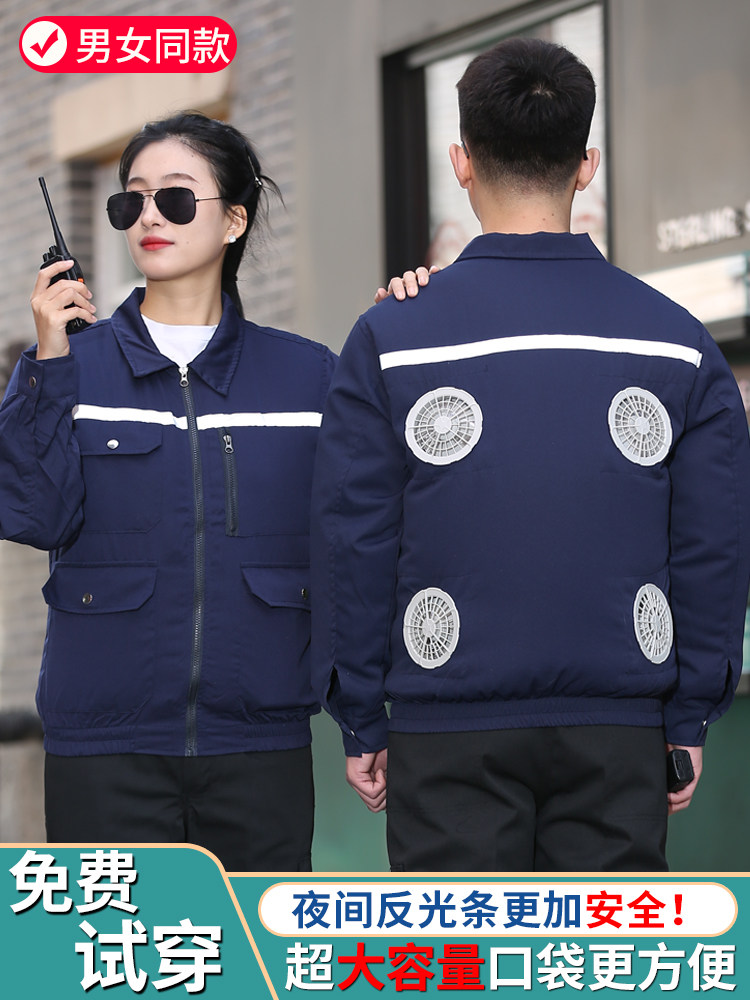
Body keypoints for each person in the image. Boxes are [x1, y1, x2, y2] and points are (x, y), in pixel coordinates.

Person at [310, 38, 750, 871]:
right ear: (586, 167)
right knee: (602, 943)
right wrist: (689, 713)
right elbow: (713, 544)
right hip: (620, 724)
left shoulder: (393, 338)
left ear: (460, 163)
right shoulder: (678, 342)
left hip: (446, 721)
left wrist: (360, 714)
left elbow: (353, 537)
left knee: (460, 944)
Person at [0, 112, 335, 872]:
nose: (149, 216)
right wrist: (49, 362)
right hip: (104, 748)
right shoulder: (68, 368)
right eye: (133, 200)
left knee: (250, 945)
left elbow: (348, 540)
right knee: (116, 943)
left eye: (176, 198)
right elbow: (31, 513)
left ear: (234, 220)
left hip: (260, 744)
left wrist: (359, 713)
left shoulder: (308, 375)